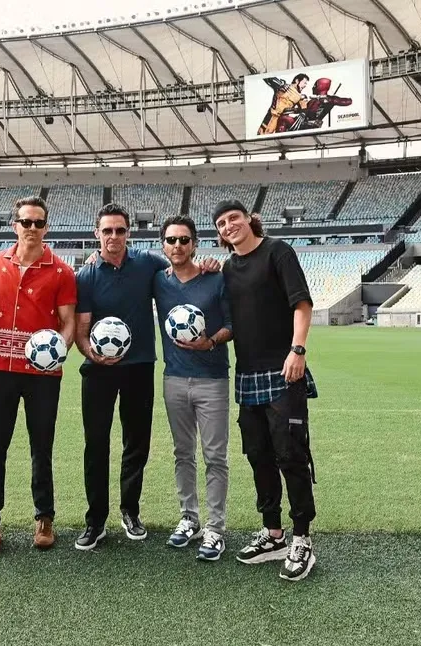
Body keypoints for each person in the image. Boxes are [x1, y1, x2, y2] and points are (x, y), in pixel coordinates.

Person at [73, 203, 219, 551]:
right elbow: (81, 328)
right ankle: (95, 521)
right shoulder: (86, 275)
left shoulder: (148, 263)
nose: (113, 237)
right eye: (106, 231)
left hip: (139, 366)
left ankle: (130, 512)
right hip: (98, 371)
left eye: (119, 230)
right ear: (97, 235)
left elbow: (182, 268)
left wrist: (209, 264)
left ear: (128, 233)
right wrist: (89, 351)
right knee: (96, 445)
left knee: (136, 444)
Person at [213, 200, 319, 582]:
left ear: (249, 219)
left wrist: (298, 349)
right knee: (257, 454)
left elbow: (302, 304)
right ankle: (273, 533)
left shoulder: (278, 252)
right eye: (222, 224)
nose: (229, 226)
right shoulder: (228, 267)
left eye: (234, 218)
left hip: (284, 369)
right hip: (247, 374)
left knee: (290, 453)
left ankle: (302, 537)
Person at [0, 195, 77, 555]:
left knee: (41, 447)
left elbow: (67, 325)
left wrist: (56, 351)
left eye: (38, 222)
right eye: (25, 222)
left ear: (45, 227)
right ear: (14, 225)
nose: (32, 228)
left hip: (43, 375)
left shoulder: (62, 271)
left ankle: (44, 517)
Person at [152, 215, 233, 561]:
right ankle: (189, 518)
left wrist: (211, 342)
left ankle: (215, 528)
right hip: (173, 379)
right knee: (182, 453)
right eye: (171, 240)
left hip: (212, 379)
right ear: (163, 245)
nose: (178, 246)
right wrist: (94, 257)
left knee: (215, 456)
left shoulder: (216, 279)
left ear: (195, 244)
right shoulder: (159, 281)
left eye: (185, 240)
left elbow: (233, 324)